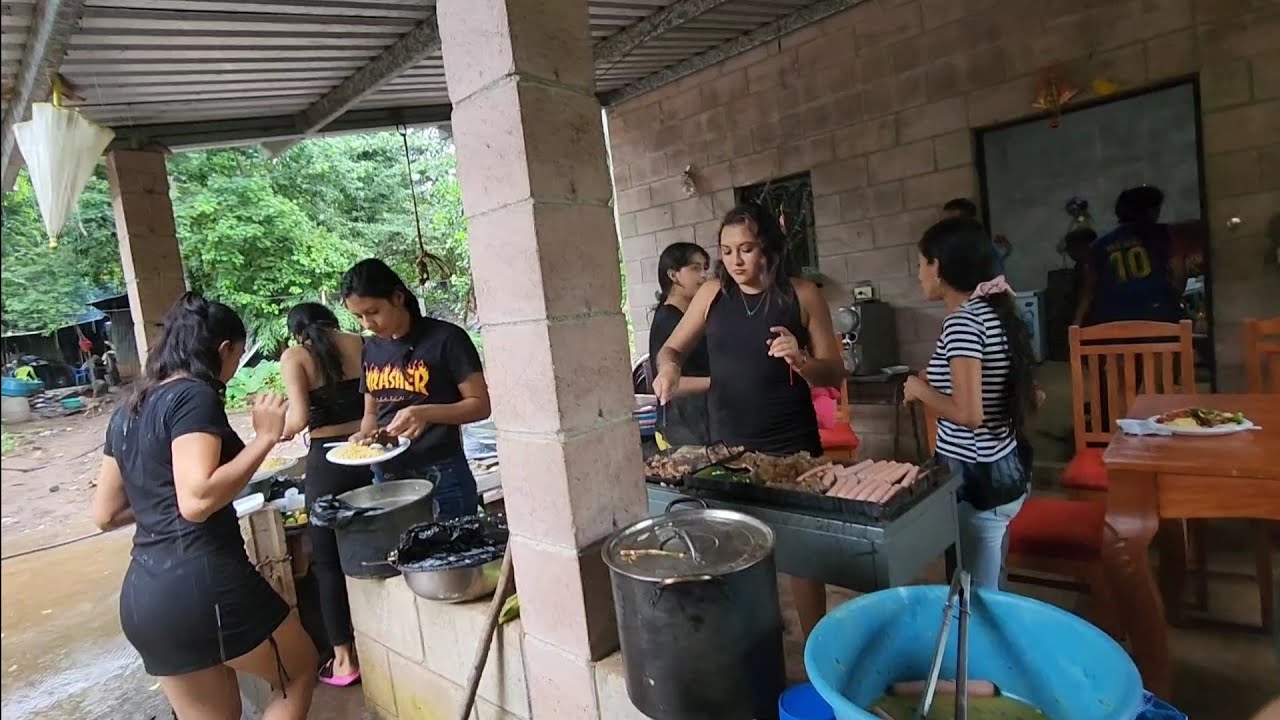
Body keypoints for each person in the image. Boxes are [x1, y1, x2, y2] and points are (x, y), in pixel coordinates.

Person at [90, 293, 317, 719]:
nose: (234, 368)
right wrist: (265, 438)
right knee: (298, 673)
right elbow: (196, 501)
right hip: (204, 586)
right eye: (237, 357)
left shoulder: (128, 409)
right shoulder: (194, 397)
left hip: (145, 597)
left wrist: (163, 500)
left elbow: (105, 514)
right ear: (224, 349)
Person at [653, 202, 846, 638]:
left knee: (803, 557)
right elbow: (672, 348)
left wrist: (801, 360)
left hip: (793, 447)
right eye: (726, 251)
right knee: (736, 553)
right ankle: (750, 643)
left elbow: (834, 372)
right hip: (730, 447)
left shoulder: (801, 294)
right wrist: (669, 369)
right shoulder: (712, 294)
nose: (735, 261)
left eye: (746, 249)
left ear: (769, 249)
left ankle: (814, 645)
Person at [904, 217, 1037, 590]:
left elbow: (969, 414)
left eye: (921, 263)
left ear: (939, 267)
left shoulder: (962, 323)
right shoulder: (995, 313)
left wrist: (918, 389)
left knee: (974, 596)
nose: (918, 274)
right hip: (1004, 467)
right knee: (991, 580)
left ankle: (982, 632)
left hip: (976, 476)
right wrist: (936, 377)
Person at [341, 259, 491, 520]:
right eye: (358, 316)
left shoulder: (446, 338)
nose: (367, 324)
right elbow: (372, 414)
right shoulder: (370, 349)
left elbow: (480, 405)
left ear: (398, 298)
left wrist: (424, 413)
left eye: (373, 311)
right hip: (386, 474)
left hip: (442, 472)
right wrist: (365, 439)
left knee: (452, 546)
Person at [279, 302, 371, 687]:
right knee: (376, 546)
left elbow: (299, 418)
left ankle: (345, 660)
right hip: (368, 452)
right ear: (332, 321)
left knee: (328, 563)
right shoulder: (360, 342)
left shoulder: (295, 356)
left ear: (297, 332)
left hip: (328, 464)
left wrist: (275, 429)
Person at [1073, 185, 1186, 326]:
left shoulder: (1098, 246)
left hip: (1111, 320)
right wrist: (1171, 299)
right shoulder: (1165, 234)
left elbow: (1089, 290)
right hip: (1157, 316)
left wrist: (1076, 325)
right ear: (1150, 211)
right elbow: (1178, 273)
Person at [647, 242, 713, 446]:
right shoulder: (667, 319)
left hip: (700, 420)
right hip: (682, 427)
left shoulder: (689, 317)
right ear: (673, 275)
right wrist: (720, 382)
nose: (703, 276)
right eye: (695, 268)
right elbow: (670, 383)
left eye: (705, 269)